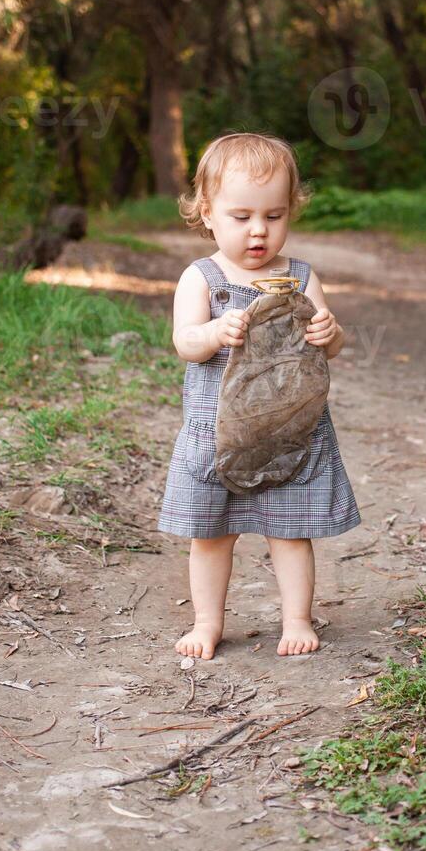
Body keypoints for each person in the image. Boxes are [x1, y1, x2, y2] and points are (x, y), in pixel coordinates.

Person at [158, 132, 361, 660]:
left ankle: (296, 618)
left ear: (290, 211)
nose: (258, 231)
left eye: (273, 216)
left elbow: (329, 343)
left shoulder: (299, 277)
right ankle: (207, 623)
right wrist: (213, 334)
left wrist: (329, 334)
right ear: (207, 212)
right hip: (219, 433)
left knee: (290, 531)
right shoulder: (200, 278)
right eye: (241, 216)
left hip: (288, 428)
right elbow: (185, 343)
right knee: (211, 535)